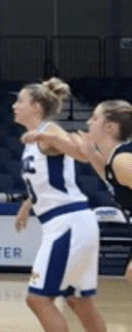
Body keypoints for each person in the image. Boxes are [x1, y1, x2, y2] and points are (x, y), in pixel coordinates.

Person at [13, 78, 126, 332]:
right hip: (71, 222)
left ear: (35, 107)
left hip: (68, 224)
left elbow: (79, 152)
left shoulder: (49, 132)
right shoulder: (37, 140)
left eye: (19, 101)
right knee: (79, 300)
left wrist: (48, 136)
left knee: (38, 299)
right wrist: (25, 207)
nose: (14, 106)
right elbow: (46, 184)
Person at [69, 99, 132, 287]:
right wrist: (90, 154)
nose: (89, 122)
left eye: (95, 118)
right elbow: (109, 178)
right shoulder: (114, 159)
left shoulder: (122, 160)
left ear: (110, 127)